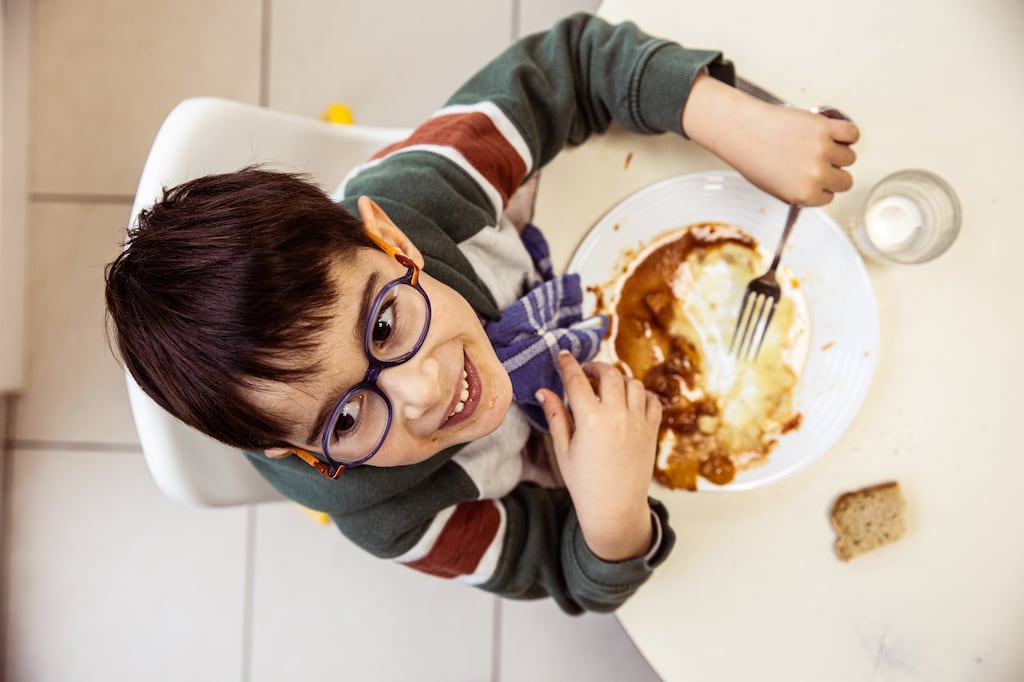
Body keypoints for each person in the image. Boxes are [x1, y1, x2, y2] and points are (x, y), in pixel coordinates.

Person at [104, 12, 858, 614]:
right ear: (300, 456)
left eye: (384, 325)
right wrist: (612, 521)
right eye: (346, 419)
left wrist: (730, 119)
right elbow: (561, 571)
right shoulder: (394, 518)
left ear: (391, 240)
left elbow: (574, 65)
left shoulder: (422, 194)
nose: (424, 392)